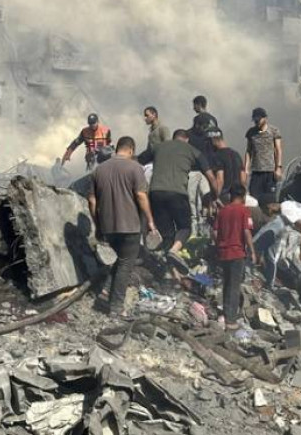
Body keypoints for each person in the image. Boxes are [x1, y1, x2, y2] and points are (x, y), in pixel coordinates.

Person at [88, 136, 156, 316]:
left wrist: (98, 224)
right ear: (131, 150)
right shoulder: (135, 168)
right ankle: (116, 308)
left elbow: (92, 201)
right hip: (130, 226)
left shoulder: (98, 170)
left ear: (117, 148)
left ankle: (104, 293)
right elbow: (141, 196)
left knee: (118, 260)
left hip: (108, 227)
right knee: (126, 265)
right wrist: (150, 220)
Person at [149, 129, 217, 267]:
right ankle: (174, 251)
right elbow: (211, 176)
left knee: (168, 233)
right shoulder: (192, 150)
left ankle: (167, 266)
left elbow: (140, 161)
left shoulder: (158, 147)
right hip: (177, 193)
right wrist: (214, 198)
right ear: (187, 139)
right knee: (185, 228)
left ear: (174, 138)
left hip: (155, 193)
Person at [213, 183, 256, 330]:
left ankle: (226, 314)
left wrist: (219, 245)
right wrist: (252, 251)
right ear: (243, 196)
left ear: (231, 196)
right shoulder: (244, 211)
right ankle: (231, 321)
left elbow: (214, 232)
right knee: (234, 286)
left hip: (223, 253)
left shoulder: (222, 211)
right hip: (237, 253)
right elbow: (246, 231)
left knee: (227, 284)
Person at [244, 107, 283, 200]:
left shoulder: (274, 131)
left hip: (270, 171)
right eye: (255, 120)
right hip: (256, 171)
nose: (256, 122)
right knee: (254, 198)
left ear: (265, 118)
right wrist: (246, 168)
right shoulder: (251, 132)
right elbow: (248, 151)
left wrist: (278, 167)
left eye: (258, 120)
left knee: (270, 199)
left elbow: (278, 149)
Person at [209, 128, 245, 203]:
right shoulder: (236, 154)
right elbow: (243, 177)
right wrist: (242, 194)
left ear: (213, 140)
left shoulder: (217, 156)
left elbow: (220, 179)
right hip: (237, 195)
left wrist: (216, 197)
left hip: (225, 194)